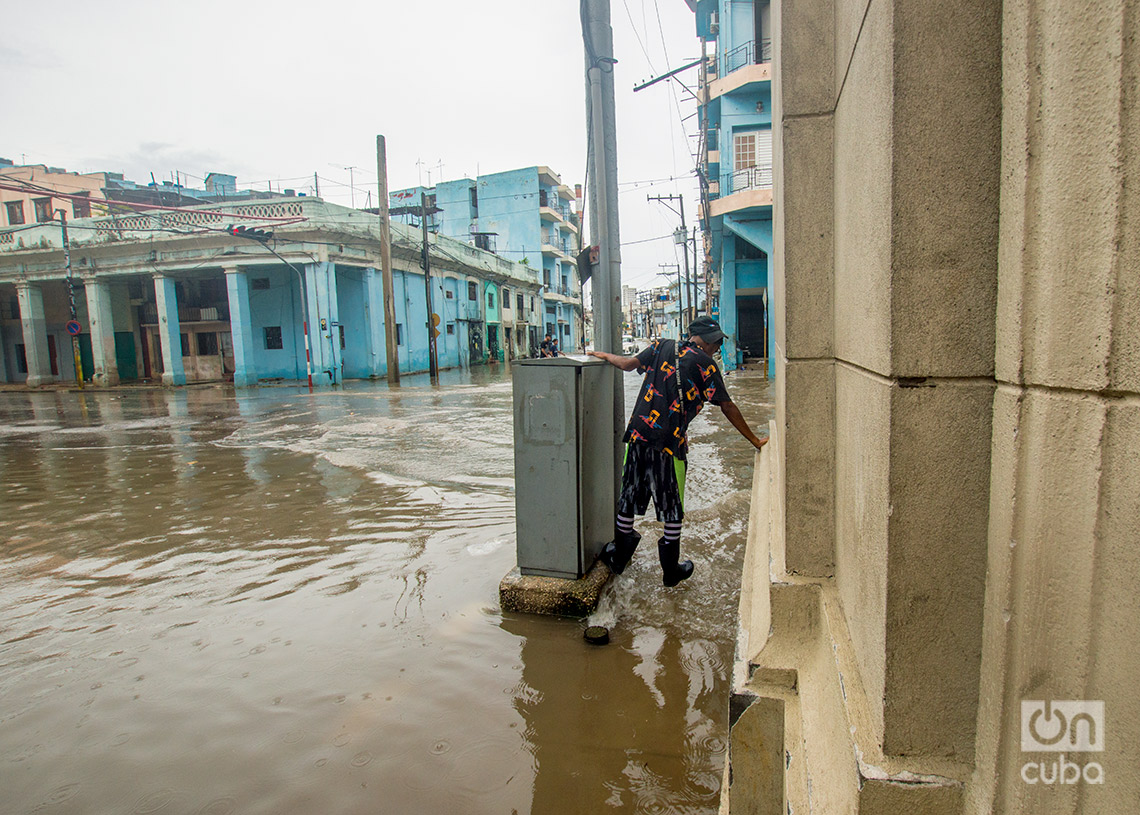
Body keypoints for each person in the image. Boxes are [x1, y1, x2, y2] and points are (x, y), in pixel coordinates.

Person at [588, 316, 768, 586]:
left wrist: (601, 354)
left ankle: (619, 558)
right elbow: (727, 406)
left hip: (638, 433)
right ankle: (671, 571)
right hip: (669, 443)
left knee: (630, 494)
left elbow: (627, 365)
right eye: (716, 341)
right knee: (671, 507)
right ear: (704, 340)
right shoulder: (706, 365)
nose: (717, 347)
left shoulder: (661, 346)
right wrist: (754, 439)